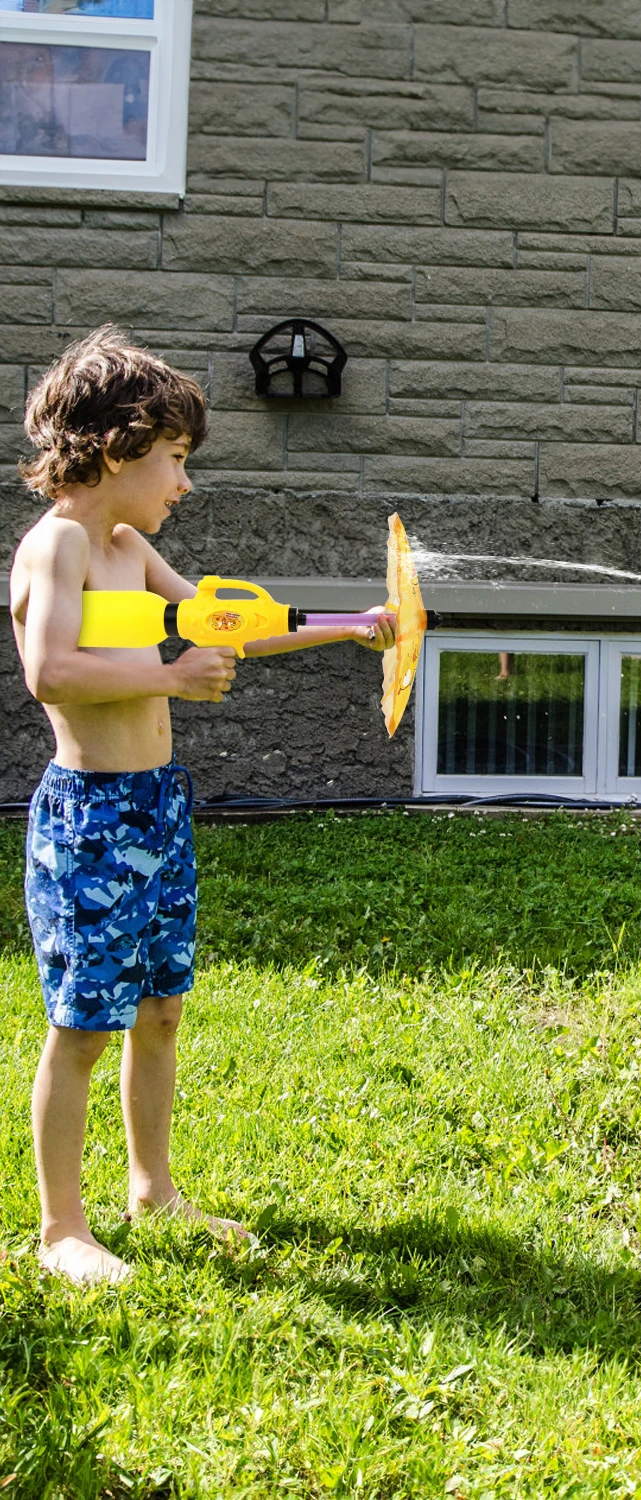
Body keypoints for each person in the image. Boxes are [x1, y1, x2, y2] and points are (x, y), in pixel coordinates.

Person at [8, 326, 395, 1285]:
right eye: (175, 459)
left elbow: (224, 624)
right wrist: (169, 677)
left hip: (156, 808)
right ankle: (62, 1228)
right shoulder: (57, 546)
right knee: (85, 1024)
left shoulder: (130, 545)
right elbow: (51, 672)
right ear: (116, 446)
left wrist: (351, 627)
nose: (184, 481)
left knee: (161, 1010)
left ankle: (153, 1189)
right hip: (90, 820)